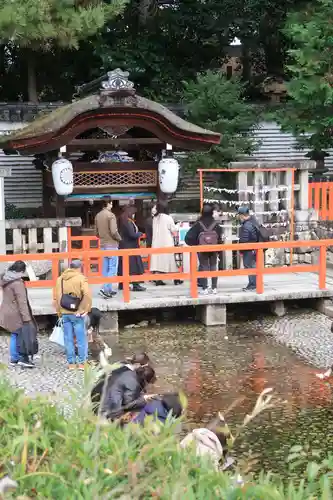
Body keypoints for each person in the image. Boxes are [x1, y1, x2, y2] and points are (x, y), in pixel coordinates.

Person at [54, 259, 92, 370]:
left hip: (64, 311)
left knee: (68, 339)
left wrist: (59, 312)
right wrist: (85, 308)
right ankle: (81, 363)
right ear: (79, 267)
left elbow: (57, 296)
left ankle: (71, 363)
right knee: (81, 339)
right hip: (77, 313)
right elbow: (87, 294)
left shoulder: (60, 279)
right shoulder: (81, 278)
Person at [0, 260, 38, 369]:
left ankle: (14, 358)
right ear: (22, 271)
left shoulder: (7, 278)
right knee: (22, 335)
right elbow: (22, 302)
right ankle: (22, 358)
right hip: (15, 313)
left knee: (14, 334)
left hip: (7, 311)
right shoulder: (17, 283)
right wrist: (26, 318)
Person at [185, 204, 222, 295]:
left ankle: (205, 288)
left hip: (202, 248)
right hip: (214, 249)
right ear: (211, 212)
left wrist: (196, 245)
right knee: (214, 266)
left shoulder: (198, 224)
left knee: (204, 266)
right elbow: (220, 238)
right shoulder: (216, 224)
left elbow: (188, 238)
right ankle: (214, 288)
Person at [95, 196, 122, 299]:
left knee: (105, 268)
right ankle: (105, 289)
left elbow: (96, 233)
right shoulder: (111, 215)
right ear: (109, 203)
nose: (112, 205)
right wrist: (119, 239)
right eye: (111, 203)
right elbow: (114, 231)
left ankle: (109, 289)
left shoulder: (98, 215)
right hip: (112, 244)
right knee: (112, 268)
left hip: (102, 245)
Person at [150, 202, 182, 286]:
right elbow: (174, 230)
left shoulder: (155, 218)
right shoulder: (168, 218)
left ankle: (158, 279)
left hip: (156, 243)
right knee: (171, 261)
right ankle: (176, 279)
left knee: (158, 262)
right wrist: (178, 225)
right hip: (166, 242)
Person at [117, 205, 146, 292]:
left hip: (123, 245)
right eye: (133, 213)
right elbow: (132, 234)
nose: (134, 215)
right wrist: (140, 234)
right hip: (130, 246)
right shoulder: (128, 222)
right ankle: (135, 285)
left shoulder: (122, 220)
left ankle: (122, 284)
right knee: (133, 266)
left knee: (124, 266)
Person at [238, 206, 259, 291]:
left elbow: (244, 239)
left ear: (242, 215)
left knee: (249, 266)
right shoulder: (253, 221)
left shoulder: (247, 225)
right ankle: (253, 284)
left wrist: (241, 249)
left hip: (249, 249)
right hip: (254, 248)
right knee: (252, 266)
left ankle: (253, 285)